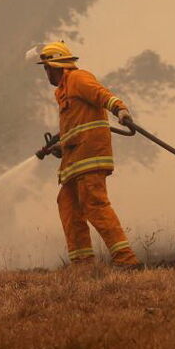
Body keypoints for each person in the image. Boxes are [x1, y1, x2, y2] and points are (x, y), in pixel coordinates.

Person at [34, 41, 142, 269]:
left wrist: (120, 110)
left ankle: (127, 261)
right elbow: (76, 126)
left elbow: (102, 95)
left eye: (47, 68)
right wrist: (61, 147)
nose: (46, 74)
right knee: (67, 203)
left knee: (94, 204)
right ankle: (83, 264)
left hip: (90, 156)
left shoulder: (78, 78)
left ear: (57, 65)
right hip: (74, 160)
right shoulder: (62, 91)